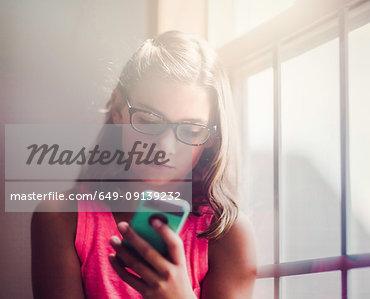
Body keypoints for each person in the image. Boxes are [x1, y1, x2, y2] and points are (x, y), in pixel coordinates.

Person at [31, 30, 257, 299]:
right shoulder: (62, 218)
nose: (165, 147)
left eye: (191, 130)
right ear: (117, 109)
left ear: (213, 137)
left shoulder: (227, 236)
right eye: (149, 120)